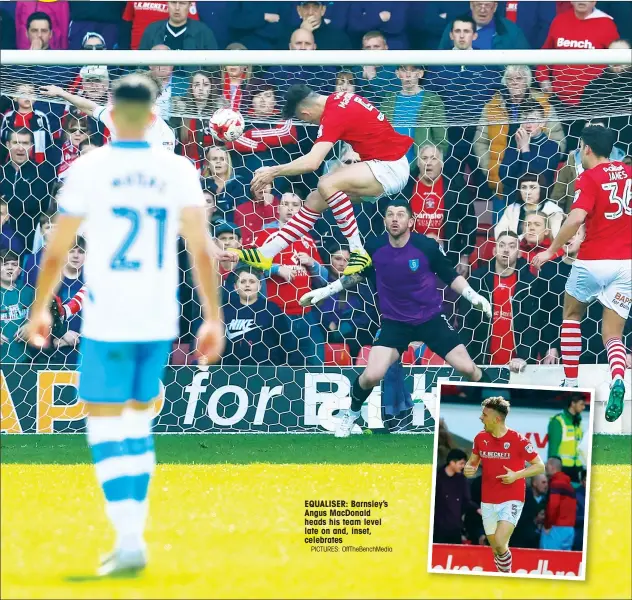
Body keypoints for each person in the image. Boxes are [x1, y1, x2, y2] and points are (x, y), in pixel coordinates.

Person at [25, 73, 224, 577]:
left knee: (102, 421)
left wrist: (41, 307)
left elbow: (57, 246)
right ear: (155, 114)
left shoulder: (90, 168)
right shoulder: (178, 168)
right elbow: (202, 249)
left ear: (110, 113)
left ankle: (129, 536)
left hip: (109, 312)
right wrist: (213, 316)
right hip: (159, 313)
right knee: (138, 420)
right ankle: (133, 536)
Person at [300, 199, 494, 437]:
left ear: (411, 221)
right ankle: (350, 415)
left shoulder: (426, 247)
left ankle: (499, 416)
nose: (395, 219)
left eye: (400, 214)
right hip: (395, 323)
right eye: (390, 214)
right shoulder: (373, 248)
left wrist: (475, 297)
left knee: (469, 369)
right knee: (371, 375)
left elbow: (451, 276)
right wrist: (323, 292)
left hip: (430, 320)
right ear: (384, 220)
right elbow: (354, 276)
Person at [232, 83, 414, 276]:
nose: (313, 124)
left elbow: (312, 162)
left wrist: (273, 171)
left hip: (389, 166)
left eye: (306, 121)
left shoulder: (333, 115)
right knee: (314, 199)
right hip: (384, 164)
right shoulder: (338, 98)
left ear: (305, 112)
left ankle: (358, 251)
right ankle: (265, 253)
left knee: (327, 183)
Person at [533, 126, 631, 422]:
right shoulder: (628, 173)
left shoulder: (588, 178)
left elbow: (576, 217)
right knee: (613, 334)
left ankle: (572, 383)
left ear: (585, 148)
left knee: (572, 314)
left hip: (592, 260)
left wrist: (552, 250)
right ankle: (618, 378)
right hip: (626, 263)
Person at [464, 396, 545, 573]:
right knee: (496, 548)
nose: (481, 418)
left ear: (496, 419)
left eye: (484, 415)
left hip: (512, 498)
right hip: (488, 500)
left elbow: (540, 466)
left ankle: (506, 575)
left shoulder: (519, 440)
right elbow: (472, 462)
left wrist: (517, 475)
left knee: (500, 542)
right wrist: (468, 469)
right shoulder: (480, 438)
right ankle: (505, 574)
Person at [254, 192, 326, 366]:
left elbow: (324, 279)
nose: (290, 208)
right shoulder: (267, 235)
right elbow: (251, 268)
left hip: (306, 314)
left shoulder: (308, 238)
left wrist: (312, 263)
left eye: (295, 205)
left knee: (315, 364)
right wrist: (277, 269)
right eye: (286, 204)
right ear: (278, 208)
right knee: (280, 366)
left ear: (301, 209)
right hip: (277, 315)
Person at [474, 64, 565, 198]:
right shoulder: (492, 107)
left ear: (527, 81)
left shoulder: (544, 106)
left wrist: (542, 166)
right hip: (503, 183)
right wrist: (492, 170)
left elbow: (558, 141)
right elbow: (480, 142)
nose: (515, 82)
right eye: (510, 79)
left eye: (519, 78)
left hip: (537, 186)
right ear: (505, 82)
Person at [462, 231, 540, 372]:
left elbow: (533, 326)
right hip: (481, 363)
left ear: (519, 253)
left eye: (511, 246)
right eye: (501, 245)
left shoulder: (529, 284)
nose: (505, 250)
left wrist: (524, 357)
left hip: (518, 366)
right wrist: (467, 357)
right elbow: (465, 320)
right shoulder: (478, 280)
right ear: (494, 250)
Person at [39, 73, 177, 152]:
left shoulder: (164, 133)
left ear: (155, 97)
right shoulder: (118, 116)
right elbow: (91, 108)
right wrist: (62, 93)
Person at [535, 1, 619, 107]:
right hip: (558, 99)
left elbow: (618, 61)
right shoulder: (559, 21)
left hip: (593, 100)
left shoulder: (607, 24)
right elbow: (545, 53)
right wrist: (543, 79)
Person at [551, 119, 627, 213]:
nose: (593, 137)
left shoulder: (624, 162)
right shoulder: (571, 162)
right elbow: (557, 198)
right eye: (589, 133)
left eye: (598, 133)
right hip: (577, 222)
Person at [221, 267, 291, 366]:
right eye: (243, 281)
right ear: (235, 287)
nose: (247, 285)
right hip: (231, 370)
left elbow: (286, 341)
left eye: (252, 281)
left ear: (259, 286)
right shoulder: (225, 311)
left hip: (265, 371)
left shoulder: (271, 309)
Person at [0, 128, 55, 252]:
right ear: (8, 145)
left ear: (31, 146)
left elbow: (37, 206)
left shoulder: (42, 174)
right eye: (16, 143)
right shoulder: (1, 172)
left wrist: (6, 200)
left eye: (25, 143)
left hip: (32, 245)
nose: (20, 148)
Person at [380, 65, 448, 160]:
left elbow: (441, 139)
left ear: (420, 73)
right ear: (397, 73)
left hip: (421, 166)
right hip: (390, 163)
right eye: (404, 70)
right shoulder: (388, 100)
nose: (408, 75)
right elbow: (380, 134)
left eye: (413, 70)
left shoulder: (433, 100)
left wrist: (432, 163)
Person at [498, 100, 561, 200]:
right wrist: (518, 150)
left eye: (532, 120)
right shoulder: (514, 143)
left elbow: (538, 178)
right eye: (524, 119)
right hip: (515, 204)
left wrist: (525, 149)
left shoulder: (552, 147)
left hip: (541, 204)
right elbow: (505, 177)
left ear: (542, 122)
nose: (528, 125)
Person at [581, 39, 632, 155]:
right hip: (605, 157)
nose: (617, 59)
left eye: (622, 55)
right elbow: (590, 126)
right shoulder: (594, 88)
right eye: (613, 54)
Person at [494, 173, 564, 239]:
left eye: (533, 187)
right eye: (524, 187)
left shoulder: (553, 211)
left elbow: (556, 237)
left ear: (541, 189)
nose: (528, 192)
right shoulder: (512, 209)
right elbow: (499, 232)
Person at [437, 1, 530, 50]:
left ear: (495, 7)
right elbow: (440, 58)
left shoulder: (510, 30)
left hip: (498, 84)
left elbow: (527, 63)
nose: (482, 10)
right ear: (471, 5)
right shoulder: (455, 26)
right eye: (479, 5)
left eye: (487, 5)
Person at [138, 0, 217, 50]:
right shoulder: (152, 30)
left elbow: (214, 67)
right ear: (167, 3)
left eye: (182, 3)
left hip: (192, 76)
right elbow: (141, 66)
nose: (177, 8)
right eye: (173, 2)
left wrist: (200, 75)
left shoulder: (203, 32)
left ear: (190, 5)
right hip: (157, 77)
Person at [0, 250, 34, 364]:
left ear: (19, 270)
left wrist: (31, 326)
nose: (10, 268)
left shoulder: (28, 292)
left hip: (23, 360)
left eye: (14, 264)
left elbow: (42, 316)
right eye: (5, 264)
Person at [433, 448, 472, 544]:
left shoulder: (462, 480)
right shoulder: (436, 477)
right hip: (437, 527)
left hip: (455, 527)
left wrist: (478, 509)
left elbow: (467, 501)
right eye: (461, 463)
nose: (463, 466)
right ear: (452, 462)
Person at [547, 393, 586, 483]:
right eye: (581, 404)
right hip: (562, 468)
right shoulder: (558, 421)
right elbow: (553, 448)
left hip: (577, 468)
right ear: (573, 404)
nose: (584, 407)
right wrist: (553, 469)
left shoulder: (578, 422)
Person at [540, 457, 577, 551]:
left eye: (547, 464)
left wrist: (547, 525)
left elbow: (553, 505)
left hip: (556, 529)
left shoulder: (556, 483)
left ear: (552, 467)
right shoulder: (569, 485)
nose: (545, 467)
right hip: (570, 530)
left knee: (547, 558)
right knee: (564, 562)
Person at [511, 473, 548, 549]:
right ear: (534, 483)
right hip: (520, 543)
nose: (546, 485)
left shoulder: (547, 500)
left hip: (538, 543)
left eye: (547, 482)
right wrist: (534, 520)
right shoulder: (522, 499)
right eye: (543, 482)